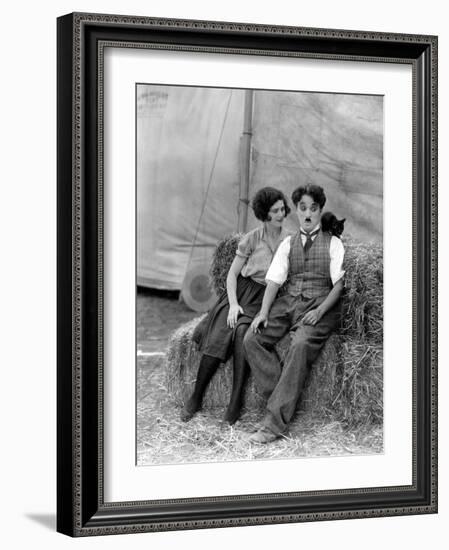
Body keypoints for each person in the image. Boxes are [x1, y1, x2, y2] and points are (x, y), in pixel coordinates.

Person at [180, 187, 292, 424]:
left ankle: (236, 400)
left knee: (243, 331)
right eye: (275, 211)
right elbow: (231, 276)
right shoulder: (251, 238)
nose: (281, 214)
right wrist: (232, 304)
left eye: (283, 209)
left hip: (266, 296)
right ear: (264, 214)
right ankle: (196, 396)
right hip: (242, 291)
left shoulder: (289, 241)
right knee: (221, 330)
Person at [244, 184, 345, 444]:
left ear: (320, 210)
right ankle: (283, 395)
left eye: (313, 208)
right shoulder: (288, 243)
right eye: (302, 208)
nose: (308, 214)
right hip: (290, 302)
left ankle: (273, 424)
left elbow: (339, 285)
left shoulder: (333, 244)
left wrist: (320, 311)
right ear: (296, 212)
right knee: (251, 338)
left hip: (322, 304)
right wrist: (263, 313)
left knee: (299, 345)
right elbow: (274, 281)